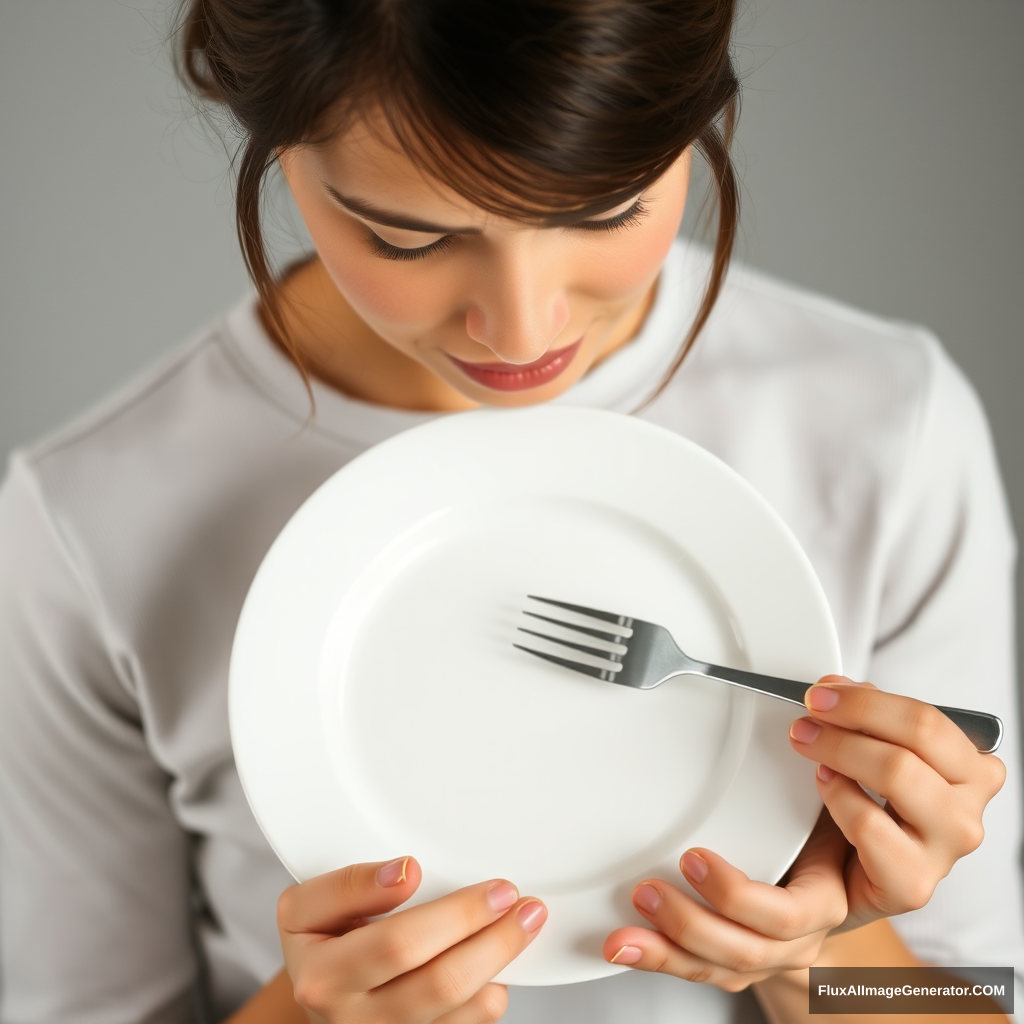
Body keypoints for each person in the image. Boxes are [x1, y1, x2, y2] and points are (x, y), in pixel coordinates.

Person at [0, 0, 1020, 1021]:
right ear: (277, 147)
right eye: (407, 236)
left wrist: (816, 951)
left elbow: (982, 1002)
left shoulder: (887, 426)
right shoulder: (87, 520)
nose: (524, 324)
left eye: (605, 209)